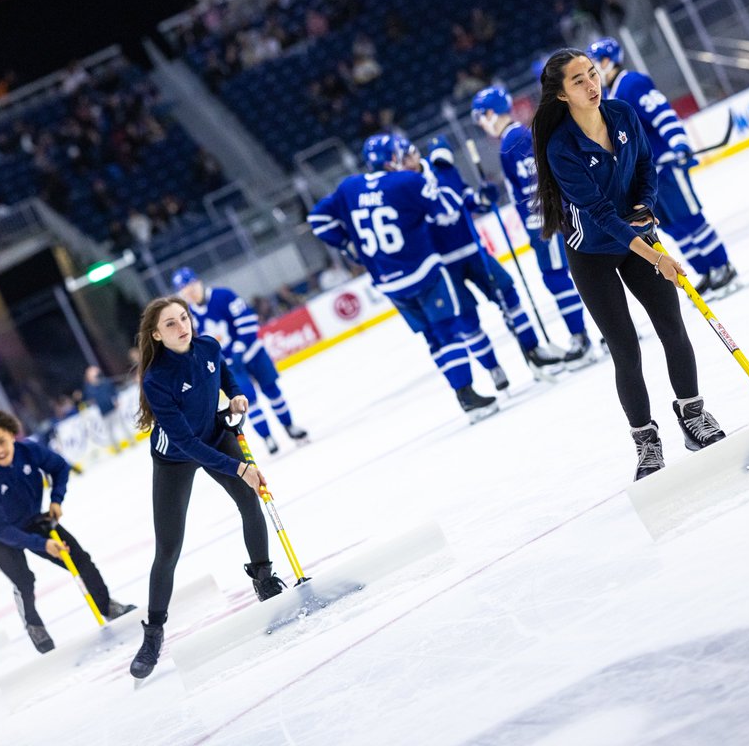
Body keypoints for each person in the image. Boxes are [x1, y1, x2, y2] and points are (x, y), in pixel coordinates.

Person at [530, 48, 726, 480]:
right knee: (626, 350)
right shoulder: (562, 146)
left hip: (638, 235)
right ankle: (646, 442)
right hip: (593, 253)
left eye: (593, 74)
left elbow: (645, 165)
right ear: (561, 95)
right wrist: (656, 255)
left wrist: (647, 206)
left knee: (673, 329)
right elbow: (600, 214)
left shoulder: (622, 113)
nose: (591, 84)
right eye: (578, 81)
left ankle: (693, 417)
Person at [128, 296, 283, 679]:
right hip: (175, 458)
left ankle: (263, 579)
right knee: (168, 549)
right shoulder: (156, 379)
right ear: (156, 335)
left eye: (184, 318)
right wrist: (238, 466)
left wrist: (235, 394)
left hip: (215, 433)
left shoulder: (209, 345)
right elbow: (185, 444)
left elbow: (224, 375)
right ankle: (153, 632)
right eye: (170, 324)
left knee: (250, 504)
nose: (182, 327)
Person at [308, 134, 498, 421]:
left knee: (432, 338)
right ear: (392, 159)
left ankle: (462, 394)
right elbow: (448, 209)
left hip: (388, 282)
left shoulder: (349, 187)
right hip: (422, 271)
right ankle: (468, 394)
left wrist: (347, 244)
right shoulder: (408, 182)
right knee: (447, 331)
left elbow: (318, 220)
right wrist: (437, 173)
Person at [0, 410, 134, 653]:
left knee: (78, 558)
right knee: (23, 580)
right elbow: (0, 527)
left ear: (12, 435)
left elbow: (60, 468)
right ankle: (34, 626)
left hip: (33, 518)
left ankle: (107, 606)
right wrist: (42, 544)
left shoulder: (30, 451)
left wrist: (56, 500)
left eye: (1, 442)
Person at [587, 37, 739, 297]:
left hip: (666, 169)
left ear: (610, 60)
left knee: (689, 218)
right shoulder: (610, 97)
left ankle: (722, 265)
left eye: (596, 64)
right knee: (670, 225)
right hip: (646, 178)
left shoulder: (632, 83)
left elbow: (662, 113)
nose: (594, 73)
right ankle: (704, 270)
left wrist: (678, 144)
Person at [412, 135, 564, 387]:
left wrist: (484, 198)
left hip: (474, 251)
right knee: (467, 319)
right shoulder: (407, 186)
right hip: (444, 265)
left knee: (508, 295)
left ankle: (533, 349)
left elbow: (468, 198)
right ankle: (493, 368)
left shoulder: (445, 169)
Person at [471, 85, 601, 366]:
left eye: (481, 117)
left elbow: (535, 185)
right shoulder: (516, 137)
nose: (481, 124)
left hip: (548, 221)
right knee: (572, 274)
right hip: (551, 219)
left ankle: (582, 339)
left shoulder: (512, 140)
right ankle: (603, 331)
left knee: (557, 277)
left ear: (491, 113)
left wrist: (542, 224)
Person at [172, 269, 308, 455]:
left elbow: (247, 320)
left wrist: (239, 347)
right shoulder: (188, 317)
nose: (189, 291)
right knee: (247, 401)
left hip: (253, 352)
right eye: (183, 289)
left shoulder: (223, 296)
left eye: (190, 285)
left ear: (199, 282)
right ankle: (267, 437)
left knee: (272, 391)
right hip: (229, 365)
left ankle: (289, 426)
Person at [81, 365, 134, 453]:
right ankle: (116, 447)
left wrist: (116, 399)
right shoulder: (89, 388)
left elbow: (113, 391)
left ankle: (131, 440)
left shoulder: (105, 382)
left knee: (123, 426)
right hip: (104, 412)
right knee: (110, 431)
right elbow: (88, 399)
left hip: (113, 408)